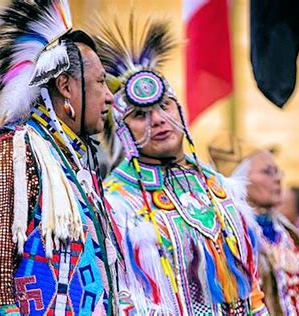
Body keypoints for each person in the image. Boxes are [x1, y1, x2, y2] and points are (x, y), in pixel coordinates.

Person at [0, 0, 118, 314]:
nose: (109, 96)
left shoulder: (71, 159)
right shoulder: (12, 150)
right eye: (99, 82)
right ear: (65, 86)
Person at [98, 16, 268, 315]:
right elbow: (118, 295)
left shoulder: (220, 186)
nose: (159, 120)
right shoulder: (115, 203)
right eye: (140, 114)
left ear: (179, 109)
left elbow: (251, 285)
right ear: (123, 131)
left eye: (165, 105)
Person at [209, 135, 299, 315]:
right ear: (238, 181)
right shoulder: (230, 236)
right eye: (267, 172)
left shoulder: (288, 234)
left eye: (278, 171)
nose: (278, 179)